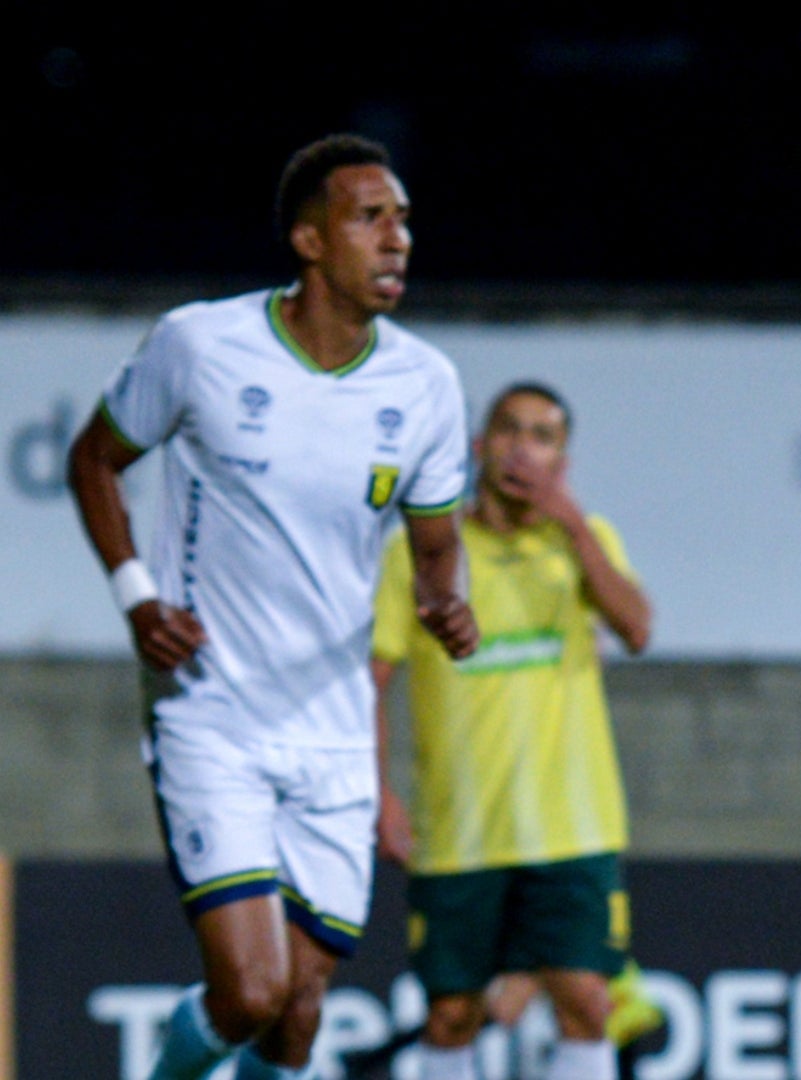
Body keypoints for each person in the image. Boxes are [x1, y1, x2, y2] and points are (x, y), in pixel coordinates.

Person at [65, 133, 479, 1080]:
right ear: (309, 240)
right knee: (251, 991)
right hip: (212, 710)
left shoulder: (426, 385)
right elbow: (93, 459)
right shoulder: (201, 345)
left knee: (296, 1014)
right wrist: (137, 599)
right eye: (370, 218)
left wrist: (444, 602)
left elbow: (435, 546)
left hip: (332, 730)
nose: (398, 239)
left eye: (403, 219)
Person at [371, 381, 653, 1080]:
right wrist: (377, 794)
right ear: (479, 445)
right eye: (509, 430)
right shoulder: (420, 553)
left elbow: (637, 628)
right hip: (460, 832)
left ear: (562, 460)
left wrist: (574, 526)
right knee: (451, 1015)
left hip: (573, 828)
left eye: (542, 436)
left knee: (587, 1002)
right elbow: (368, 682)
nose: (522, 449)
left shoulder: (583, 542)